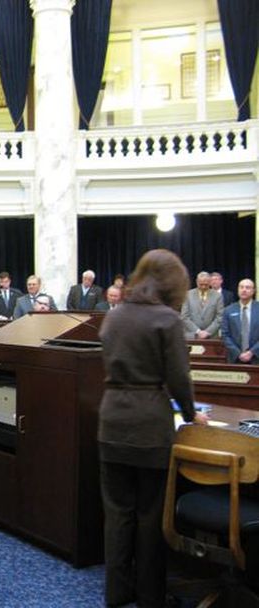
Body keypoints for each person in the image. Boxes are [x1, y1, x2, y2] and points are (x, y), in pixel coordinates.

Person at [98, 249, 208, 608]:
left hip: (111, 419)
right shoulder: (167, 319)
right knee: (149, 515)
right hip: (150, 425)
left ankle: (116, 592)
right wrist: (193, 415)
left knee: (117, 514)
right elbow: (179, 378)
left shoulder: (114, 317)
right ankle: (149, 597)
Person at [220, 278, 259, 364]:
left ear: (253, 291)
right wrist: (238, 353)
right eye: (241, 287)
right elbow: (225, 335)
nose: (244, 290)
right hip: (235, 358)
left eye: (247, 287)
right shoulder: (228, 310)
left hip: (256, 357)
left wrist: (251, 352)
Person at [180, 271, 223, 339]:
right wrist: (198, 331)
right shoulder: (188, 295)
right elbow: (184, 316)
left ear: (210, 282)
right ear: (197, 282)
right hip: (192, 336)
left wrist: (207, 331)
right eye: (201, 284)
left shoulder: (217, 296)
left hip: (211, 336)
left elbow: (220, 317)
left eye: (206, 284)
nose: (203, 287)